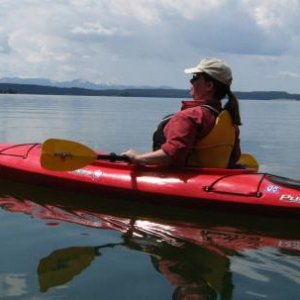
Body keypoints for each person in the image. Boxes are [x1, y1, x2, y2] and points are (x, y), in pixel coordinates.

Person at [123, 57, 241, 168]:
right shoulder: (230, 122)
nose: (191, 81)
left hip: (183, 182)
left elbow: (172, 156)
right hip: (209, 181)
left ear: (209, 85)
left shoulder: (189, 117)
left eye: (195, 77)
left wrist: (138, 158)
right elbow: (234, 157)